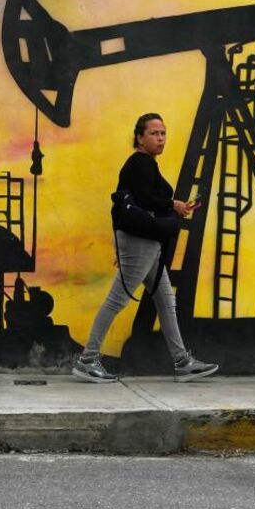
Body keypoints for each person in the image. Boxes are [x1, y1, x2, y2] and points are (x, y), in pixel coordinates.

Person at [72, 113, 219, 384]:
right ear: (139, 138)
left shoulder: (146, 164)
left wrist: (172, 207)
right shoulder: (139, 163)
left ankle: (182, 362)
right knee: (117, 299)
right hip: (140, 242)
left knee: (165, 301)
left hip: (145, 242)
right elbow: (143, 199)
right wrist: (173, 205)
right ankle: (88, 360)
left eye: (163, 133)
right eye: (154, 133)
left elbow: (141, 201)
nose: (160, 139)